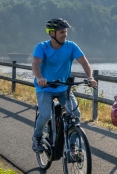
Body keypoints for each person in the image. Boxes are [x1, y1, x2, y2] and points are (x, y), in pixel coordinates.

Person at [31, 18, 98, 153]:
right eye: (62, 32)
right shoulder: (42, 47)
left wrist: (90, 77)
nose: (65, 34)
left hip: (63, 88)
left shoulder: (71, 46)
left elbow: (84, 63)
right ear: (52, 33)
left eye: (66, 31)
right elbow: (35, 63)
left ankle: (71, 146)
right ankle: (37, 137)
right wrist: (39, 78)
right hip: (45, 87)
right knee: (45, 115)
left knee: (75, 114)